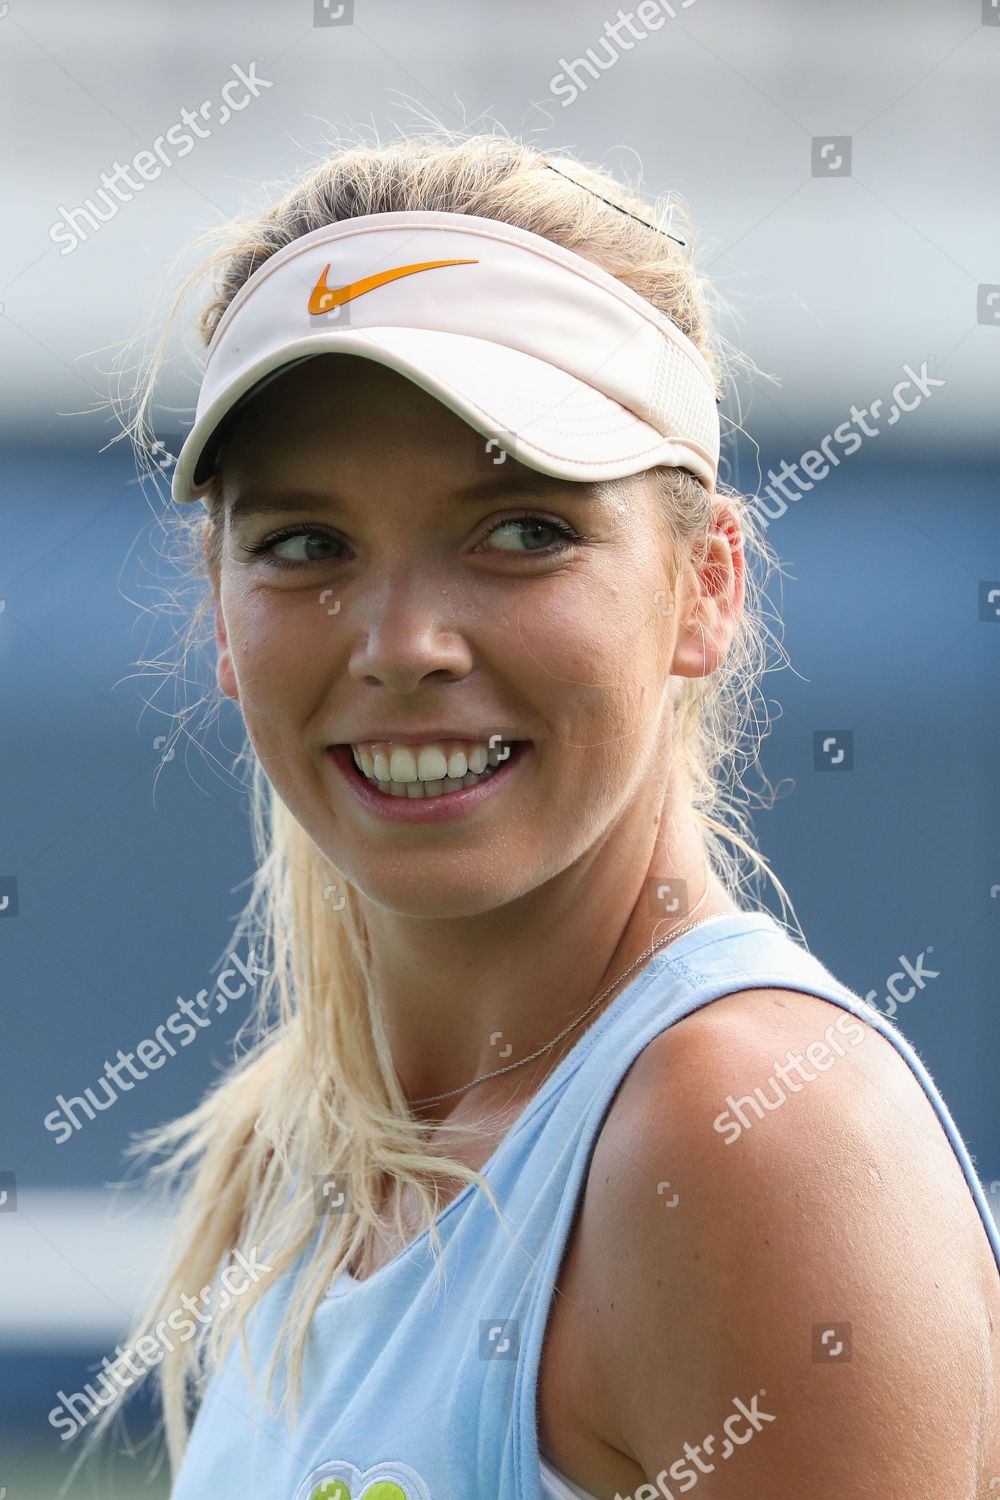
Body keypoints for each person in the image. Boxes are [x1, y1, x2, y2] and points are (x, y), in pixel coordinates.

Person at [93, 131, 999, 1498]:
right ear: (220, 614)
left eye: (522, 528)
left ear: (706, 585)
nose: (402, 643)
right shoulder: (317, 1152)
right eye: (303, 544)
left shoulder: (749, 1139)